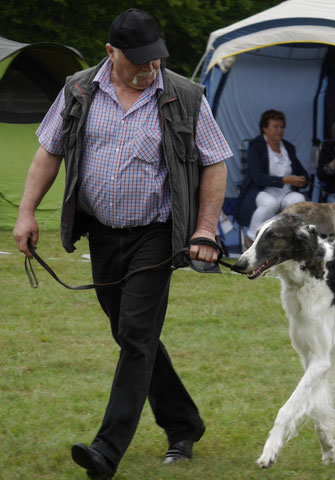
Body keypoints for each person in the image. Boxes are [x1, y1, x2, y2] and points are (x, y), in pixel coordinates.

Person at [13, 8, 231, 479]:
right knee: (133, 335)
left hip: (156, 233)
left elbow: (215, 162)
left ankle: (106, 451)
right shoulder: (78, 90)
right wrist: (27, 212)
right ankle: (184, 423)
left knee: (135, 337)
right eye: (138, 60)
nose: (148, 68)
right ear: (111, 52)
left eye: (154, 59)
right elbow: (49, 150)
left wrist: (205, 230)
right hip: (102, 233)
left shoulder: (184, 96)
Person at [235, 109, 309, 246]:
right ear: (265, 128)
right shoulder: (256, 146)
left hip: (286, 192)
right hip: (261, 191)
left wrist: (302, 180)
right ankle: (251, 239)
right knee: (270, 203)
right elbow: (258, 178)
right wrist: (285, 180)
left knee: (299, 200)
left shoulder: (288, 147)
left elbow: (302, 172)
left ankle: (288, 242)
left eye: (282, 127)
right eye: (275, 127)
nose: (279, 130)